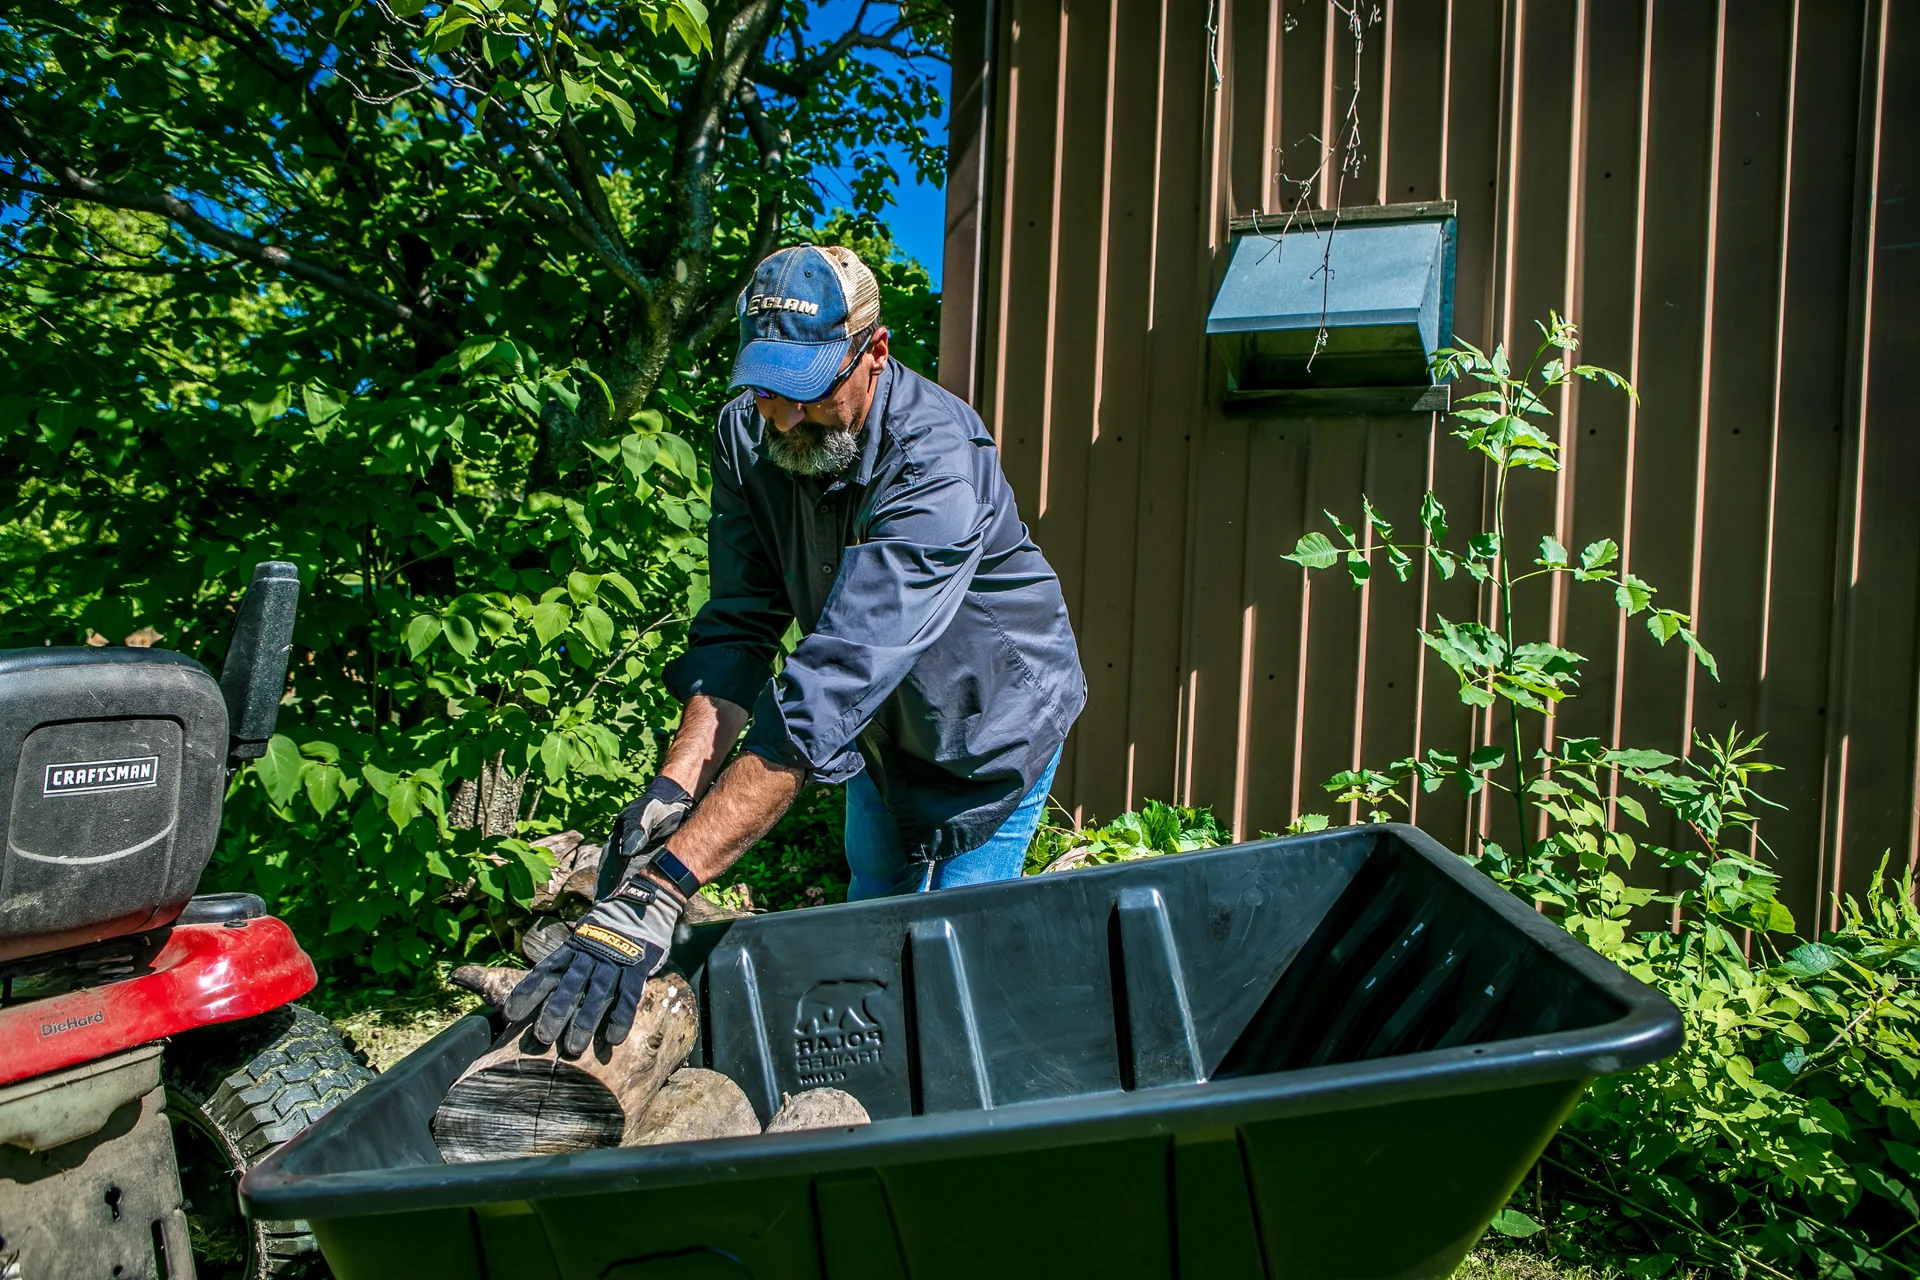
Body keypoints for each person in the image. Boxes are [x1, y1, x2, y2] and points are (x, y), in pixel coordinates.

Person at [507, 244, 1086, 1054]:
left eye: (807, 392)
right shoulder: (748, 436)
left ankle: (958, 1089)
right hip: (878, 733)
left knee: (950, 949)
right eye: (767, 388)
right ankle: (875, 1081)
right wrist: (675, 787)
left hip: (989, 727)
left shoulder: (937, 462)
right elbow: (742, 620)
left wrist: (664, 889)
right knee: (872, 915)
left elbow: (829, 688)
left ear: (873, 352)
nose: (781, 418)